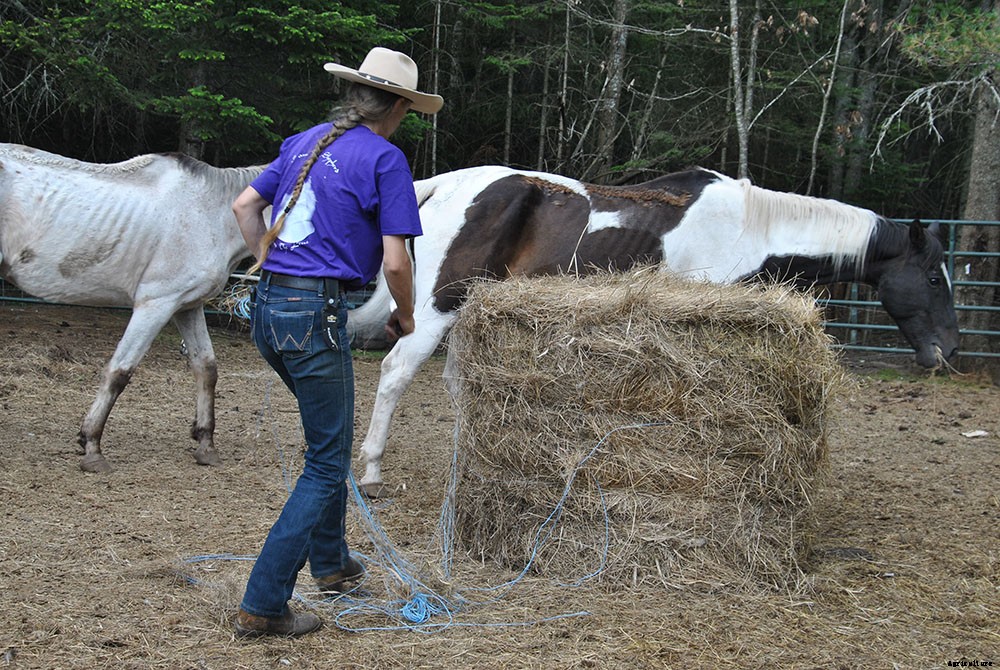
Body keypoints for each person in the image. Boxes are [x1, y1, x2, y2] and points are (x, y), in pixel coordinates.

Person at [230, 46, 443, 639]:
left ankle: (331, 563)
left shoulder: (305, 141)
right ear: (398, 106)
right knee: (326, 462)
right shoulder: (385, 158)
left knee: (327, 443)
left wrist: (270, 263)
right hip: (316, 316)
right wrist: (404, 315)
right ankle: (265, 602)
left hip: (270, 309)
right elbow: (397, 261)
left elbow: (246, 205)